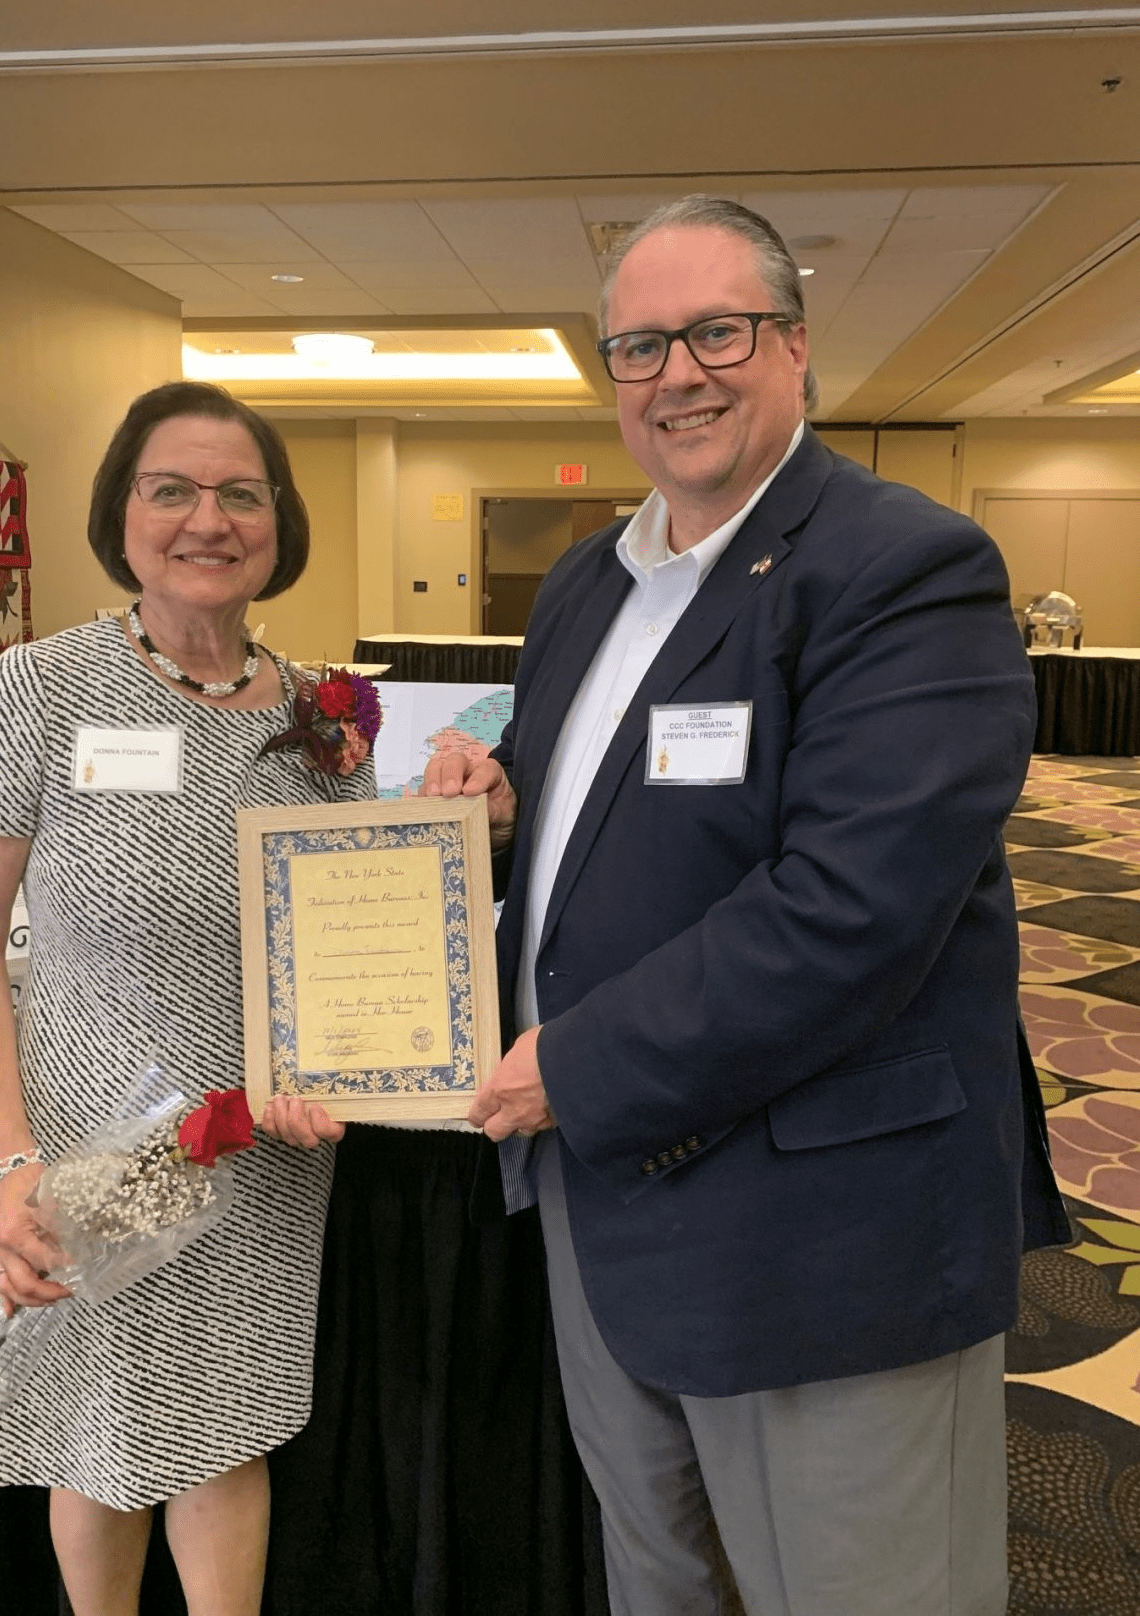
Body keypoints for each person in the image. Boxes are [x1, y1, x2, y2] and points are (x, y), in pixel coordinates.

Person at [423, 195, 1069, 1616]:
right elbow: (625, 804)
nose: (678, 373)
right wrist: (508, 799)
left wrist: (576, 1063)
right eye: (639, 345)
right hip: (604, 1202)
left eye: (717, 330)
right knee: (664, 1580)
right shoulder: (588, 582)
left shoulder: (905, 565)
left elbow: (851, 908)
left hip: (821, 1222)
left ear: (792, 344)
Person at [0, 380, 370, 1616]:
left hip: (267, 1145)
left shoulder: (322, 716)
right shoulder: (36, 688)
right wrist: (12, 1158)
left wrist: (458, 811)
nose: (207, 518)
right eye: (169, 488)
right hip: (95, 1142)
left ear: (278, 521)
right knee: (108, 1423)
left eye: (241, 493)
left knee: (227, 1426)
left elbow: (348, 934)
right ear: (120, 512)